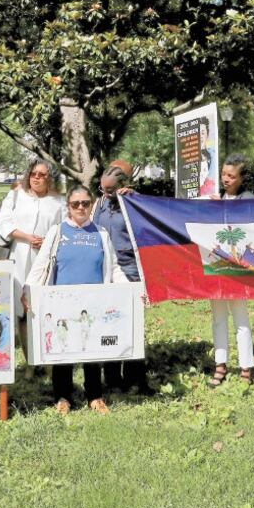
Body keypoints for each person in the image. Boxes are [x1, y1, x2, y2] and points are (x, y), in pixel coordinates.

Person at [25, 185, 127, 415]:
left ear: (91, 205)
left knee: (92, 350)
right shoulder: (57, 232)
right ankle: (63, 397)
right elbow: (41, 265)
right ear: (68, 207)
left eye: (85, 203)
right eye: (75, 204)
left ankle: (95, 396)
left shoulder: (101, 233)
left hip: (94, 304)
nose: (81, 207)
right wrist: (27, 290)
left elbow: (114, 268)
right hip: (61, 303)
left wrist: (130, 290)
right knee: (62, 350)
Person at [94, 159, 152, 395]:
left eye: (110, 190)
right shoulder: (99, 204)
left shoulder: (134, 202)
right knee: (110, 324)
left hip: (131, 271)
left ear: (123, 185)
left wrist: (133, 199)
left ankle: (135, 379)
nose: (105, 194)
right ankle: (112, 379)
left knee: (132, 326)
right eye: (102, 188)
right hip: (107, 272)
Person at [0, 159, 62, 351]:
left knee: (45, 308)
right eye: (33, 174)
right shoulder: (16, 195)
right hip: (19, 256)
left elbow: (63, 228)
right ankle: (30, 359)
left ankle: (47, 356)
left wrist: (47, 241)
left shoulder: (59, 202)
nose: (36, 178)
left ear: (50, 178)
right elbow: (3, 223)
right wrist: (26, 237)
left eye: (42, 175)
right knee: (21, 310)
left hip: (46, 259)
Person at [206, 154, 254, 385]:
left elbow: (249, 223)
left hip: (239, 269)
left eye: (231, 176)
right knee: (218, 318)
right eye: (224, 174)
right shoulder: (217, 196)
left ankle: (246, 366)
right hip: (217, 266)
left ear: (241, 178)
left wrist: (222, 208)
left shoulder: (248, 198)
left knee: (240, 318)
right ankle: (220, 364)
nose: (226, 179)